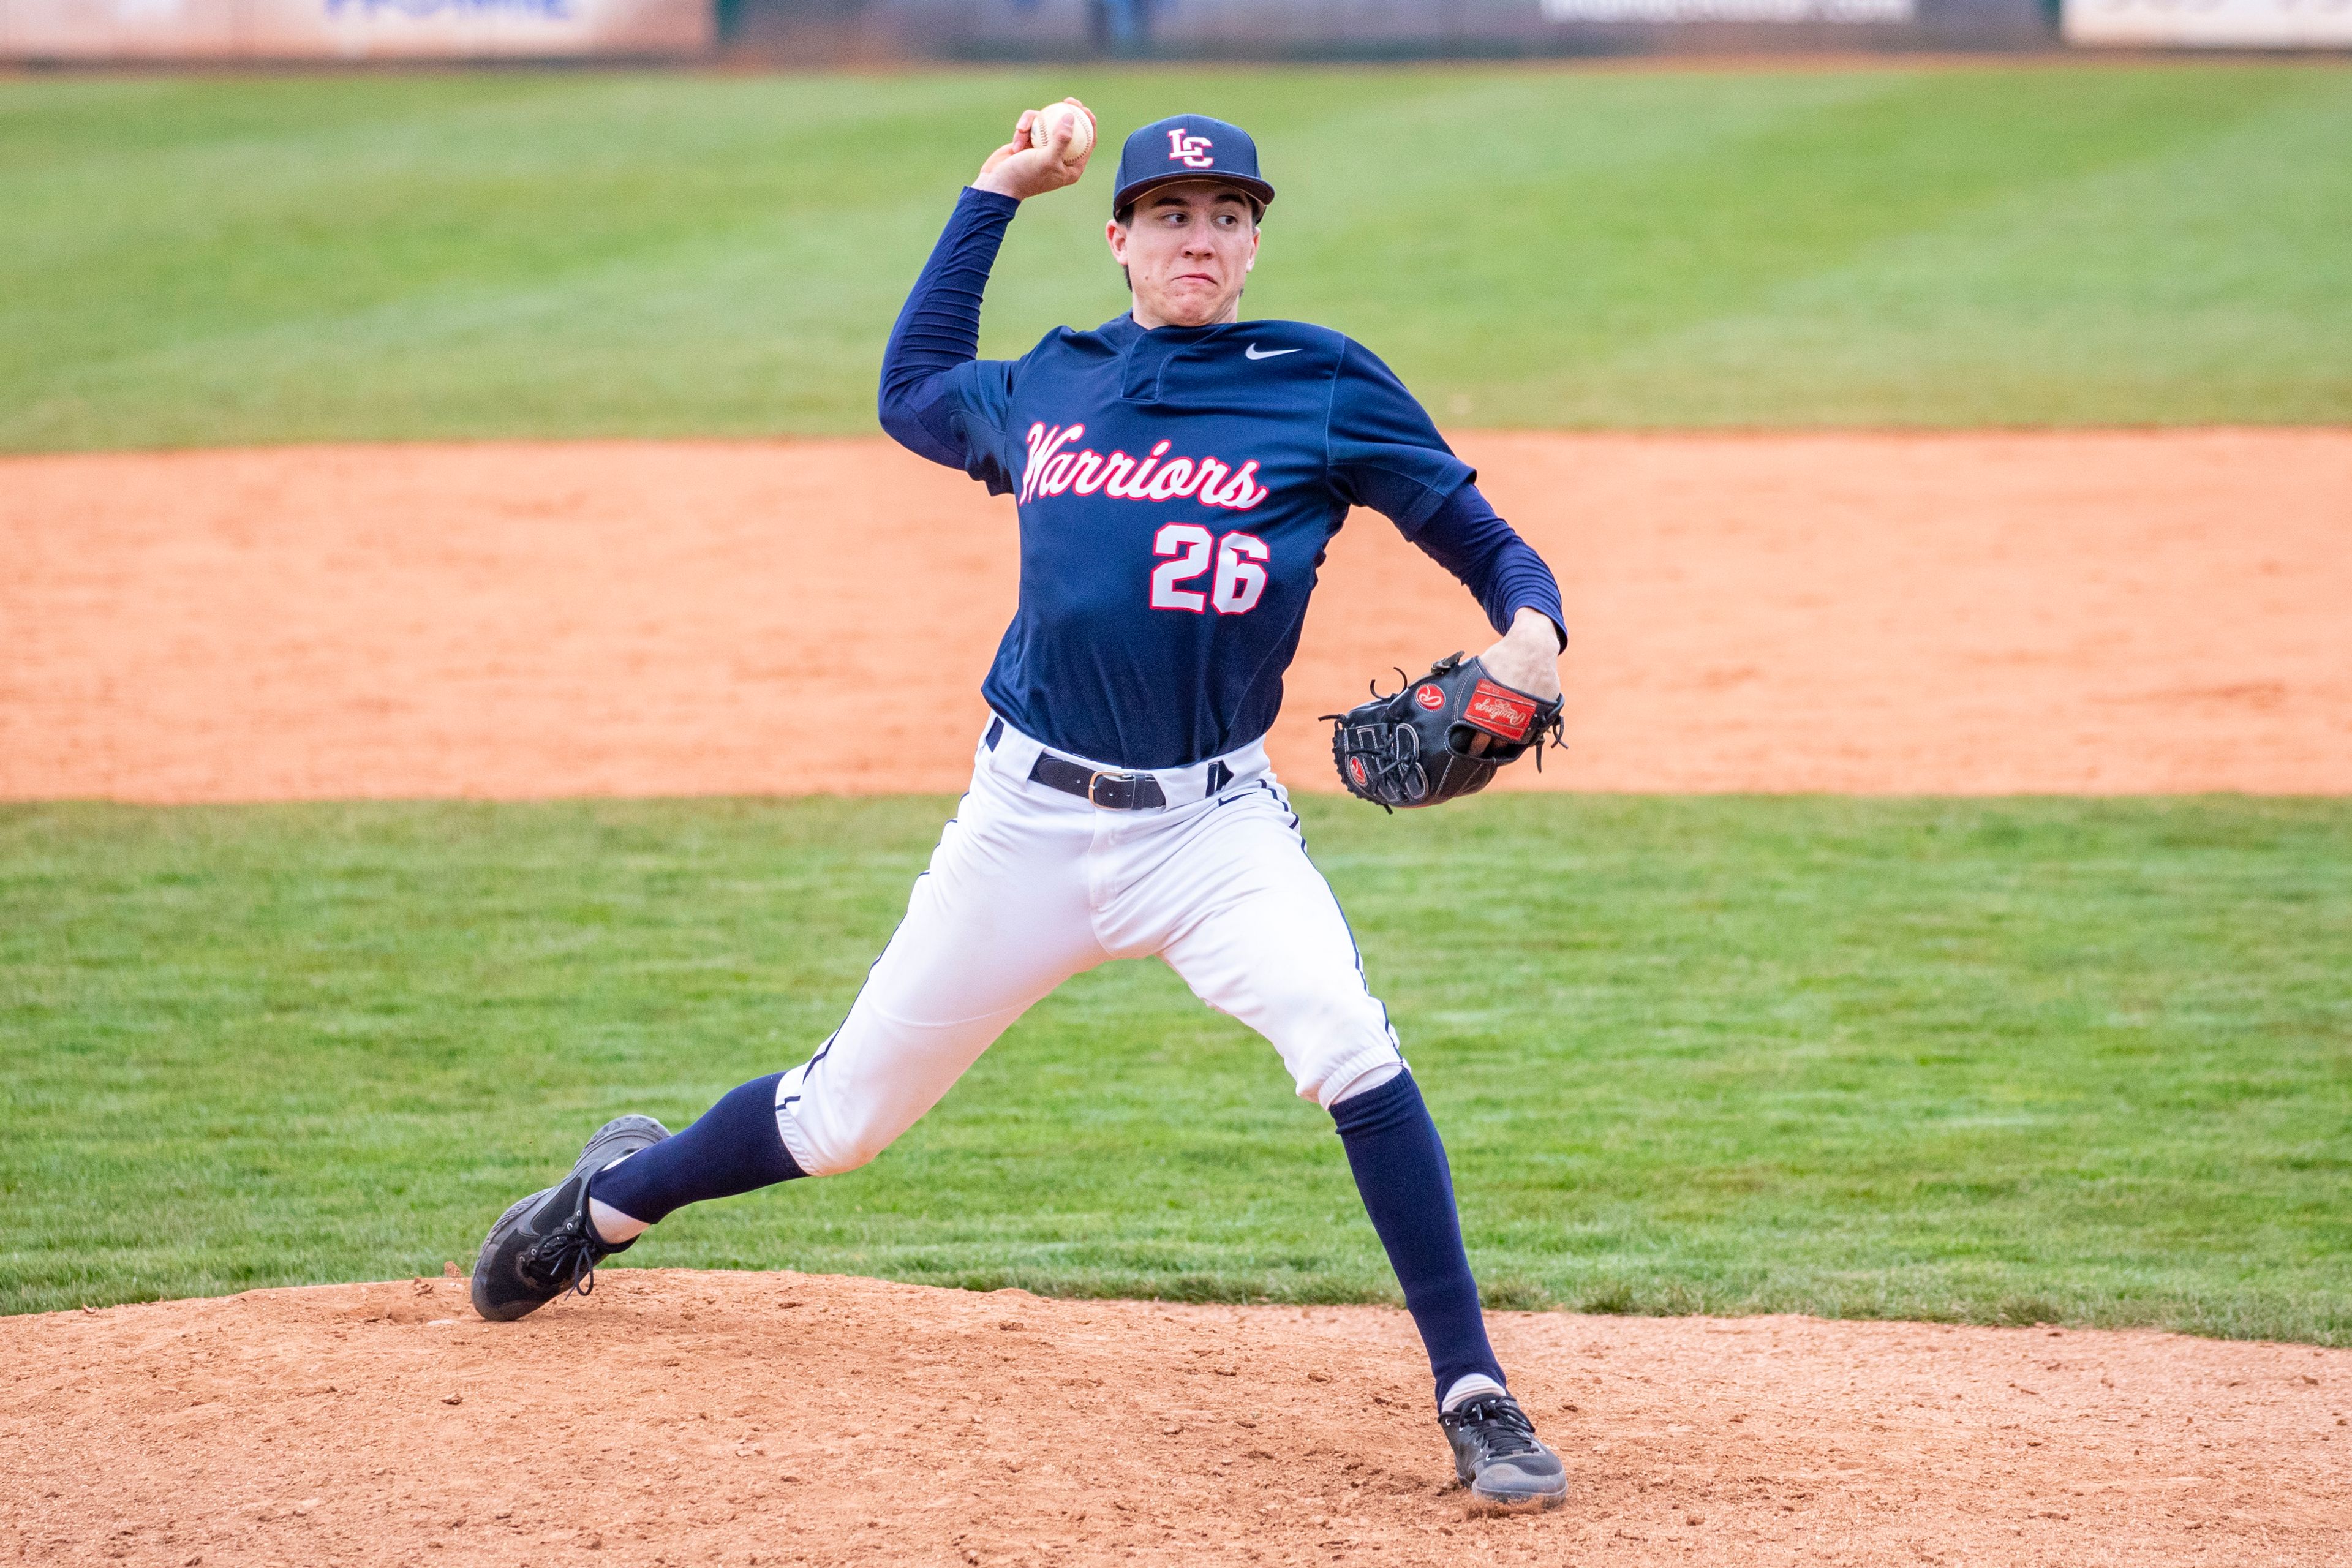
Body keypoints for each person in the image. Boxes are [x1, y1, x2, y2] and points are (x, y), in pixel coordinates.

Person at [471, 103, 1572, 1513]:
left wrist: (1530, 629)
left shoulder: (1322, 382)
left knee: (1349, 1041)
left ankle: (1473, 1390)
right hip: (1025, 823)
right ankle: (609, 1201)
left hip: (1211, 829)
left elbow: (1485, 542)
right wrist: (996, 188)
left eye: (1228, 216)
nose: (1201, 236)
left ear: (1253, 242)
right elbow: (910, 386)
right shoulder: (1051, 382)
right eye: (1171, 214)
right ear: (1118, 237)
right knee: (842, 1120)